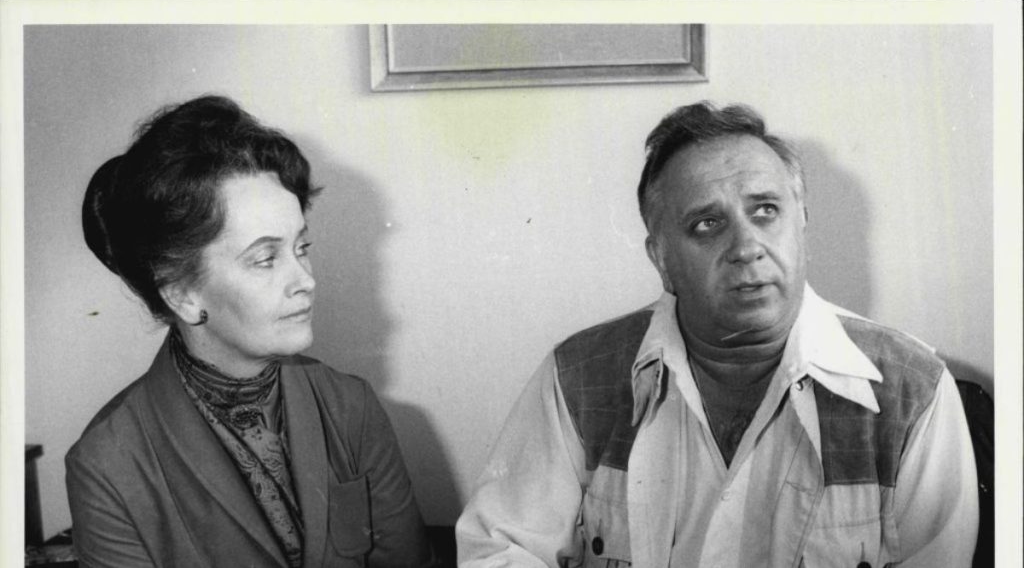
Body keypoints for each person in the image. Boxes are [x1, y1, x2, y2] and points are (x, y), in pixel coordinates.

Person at [455, 102, 978, 567]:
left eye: (765, 211)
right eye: (707, 223)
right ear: (662, 259)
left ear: (802, 225)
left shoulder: (913, 390)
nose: (747, 247)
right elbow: (499, 549)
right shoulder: (576, 376)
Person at [67, 95, 434, 568]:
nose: (306, 280)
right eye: (265, 258)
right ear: (183, 295)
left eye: (302, 248)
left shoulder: (350, 407)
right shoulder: (108, 464)